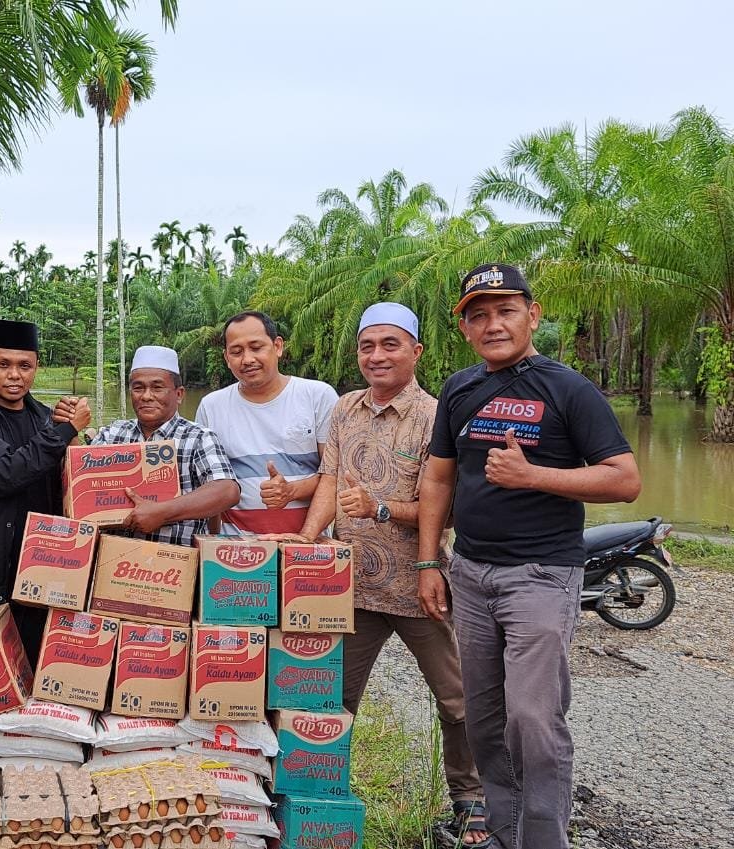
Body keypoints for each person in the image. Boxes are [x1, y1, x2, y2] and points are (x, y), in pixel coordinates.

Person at [417, 264, 641, 849]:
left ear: (532, 315)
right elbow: (438, 479)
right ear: (464, 328)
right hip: (468, 573)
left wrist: (533, 475)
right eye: (478, 314)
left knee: (533, 719)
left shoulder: (569, 389)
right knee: (486, 721)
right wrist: (428, 563)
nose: (493, 324)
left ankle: (544, 840)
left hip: (541, 574)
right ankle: (504, 831)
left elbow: (625, 480)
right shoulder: (460, 389)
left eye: (506, 310)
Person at [289, 303, 489, 845]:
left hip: (418, 585)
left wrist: (380, 507)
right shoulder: (346, 408)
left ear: (416, 352)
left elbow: (443, 508)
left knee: (456, 699)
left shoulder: (438, 414)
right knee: (332, 701)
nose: (376, 356)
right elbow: (330, 481)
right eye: (367, 346)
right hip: (348, 588)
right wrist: (307, 541)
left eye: (390, 344)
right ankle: (318, 803)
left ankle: (470, 802)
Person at [0, 319, 91, 657]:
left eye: (24, 365)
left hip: (41, 572)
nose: (14, 375)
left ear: (37, 366)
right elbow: (1, 474)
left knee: (35, 665)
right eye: (3, 364)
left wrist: (74, 441)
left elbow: (65, 488)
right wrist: (64, 431)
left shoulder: (43, 416)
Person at [196, 311, 338, 535]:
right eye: (237, 351)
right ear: (226, 358)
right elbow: (209, 486)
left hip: (308, 547)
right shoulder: (211, 406)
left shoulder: (317, 396)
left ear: (278, 346)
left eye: (256, 347)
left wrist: (292, 491)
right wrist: (208, 543)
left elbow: (335, 475)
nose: (247, 359)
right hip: (236, 551)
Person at [91, 345, 239, 547]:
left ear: (178, 394)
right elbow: (82, 481)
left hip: (176, 565)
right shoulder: (113, 434)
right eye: (138, 387)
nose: (146, 396)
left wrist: (162, 512)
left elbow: (227, 490)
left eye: (157, 387)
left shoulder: (198, 438)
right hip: (115, 565)